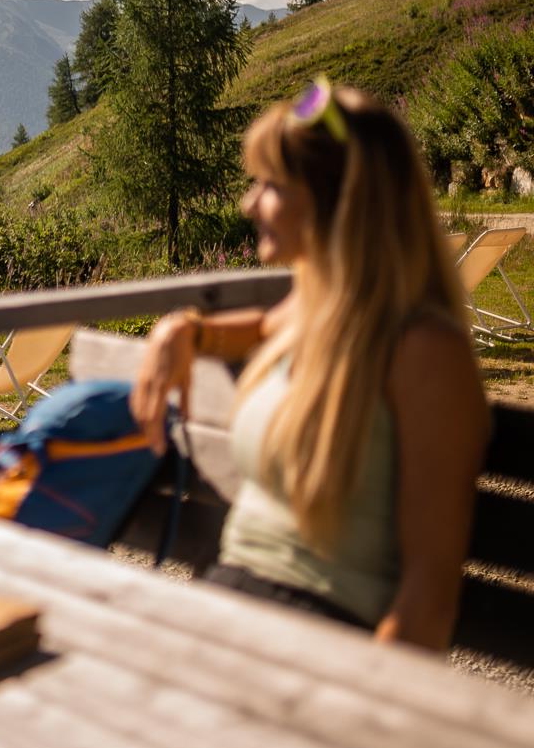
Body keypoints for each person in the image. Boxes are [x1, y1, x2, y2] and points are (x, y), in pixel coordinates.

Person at [131, 79, 488, 649]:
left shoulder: (424, 352)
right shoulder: (313, 310)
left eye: (270, 184)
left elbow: (430, 593)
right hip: (231, 606)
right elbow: (257, 327)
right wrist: (184, 328)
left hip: (318, 633)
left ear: (337, 199)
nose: (250, 204)